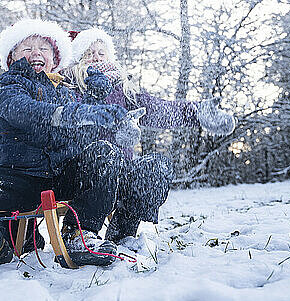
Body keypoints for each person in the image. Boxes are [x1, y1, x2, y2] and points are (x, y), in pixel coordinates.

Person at [0, 19, 135, 267]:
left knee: (102, 153)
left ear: (55, 59)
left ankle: (79, 235)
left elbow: (85, 135)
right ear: (12, 58)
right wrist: (66, 114)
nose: (36, 53)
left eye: (44, 48)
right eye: (27, 48)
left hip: (60, 177)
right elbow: (21, 109)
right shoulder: (11, 83)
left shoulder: (65, 91)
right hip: (18, 178)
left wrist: (97, 103)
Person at [63, 27, 236, 244]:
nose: (96, 58)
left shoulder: (123, 89)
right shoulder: (69, 88)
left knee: (156, 167)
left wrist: (198, 113)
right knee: (103, 155)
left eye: (101, 52)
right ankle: (79, 234)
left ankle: (123, 232)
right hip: (84, 173)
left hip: (119, 171)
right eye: (89, 54)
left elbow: (158, 109)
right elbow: (67, 125)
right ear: (78, 59)